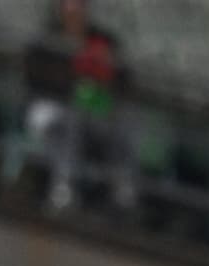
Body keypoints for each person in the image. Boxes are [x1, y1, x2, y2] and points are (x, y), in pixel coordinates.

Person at [23, 0, 136, 215]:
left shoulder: (102, 41)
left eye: (79, 6)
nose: (74, 11)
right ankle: (63, 187)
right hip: (50, 109)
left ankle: (122, 190)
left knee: (123, 123)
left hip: (94, 111)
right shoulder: (47, 39)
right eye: (69, 5)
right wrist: (74, 81)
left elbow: (124, 80)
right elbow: (36, 76)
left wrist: (101, 76)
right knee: (68, 122)